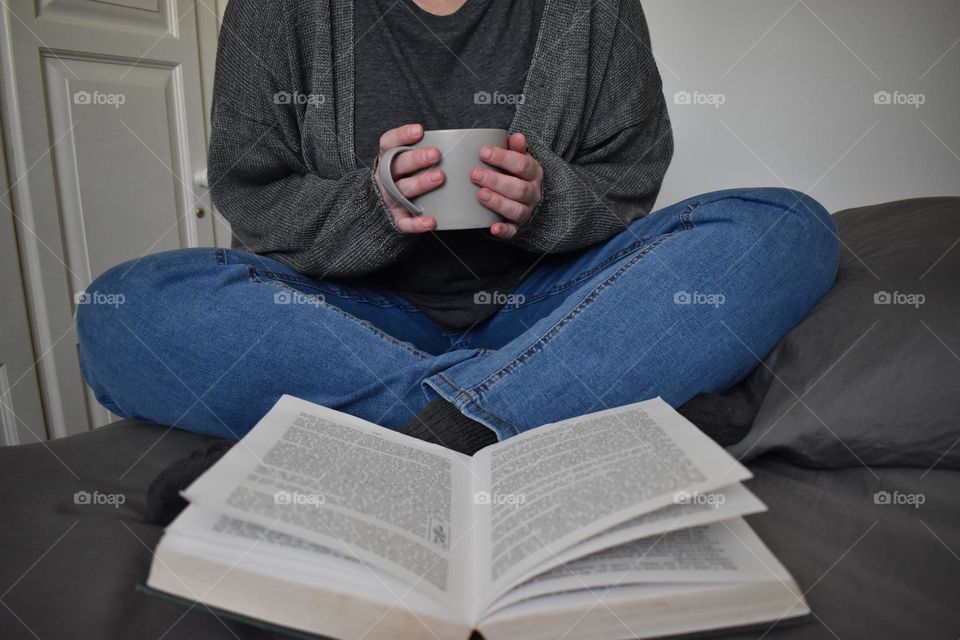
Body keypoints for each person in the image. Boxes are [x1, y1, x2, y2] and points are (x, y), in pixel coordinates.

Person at [77, 0, 840, 463]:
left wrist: (547, 199)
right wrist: (370, 204)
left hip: (552, 305)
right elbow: (251, 192)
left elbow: (632, 175)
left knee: (785, 228)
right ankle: (542, 406)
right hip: (346, 317)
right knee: (126, 309)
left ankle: (432, 427)